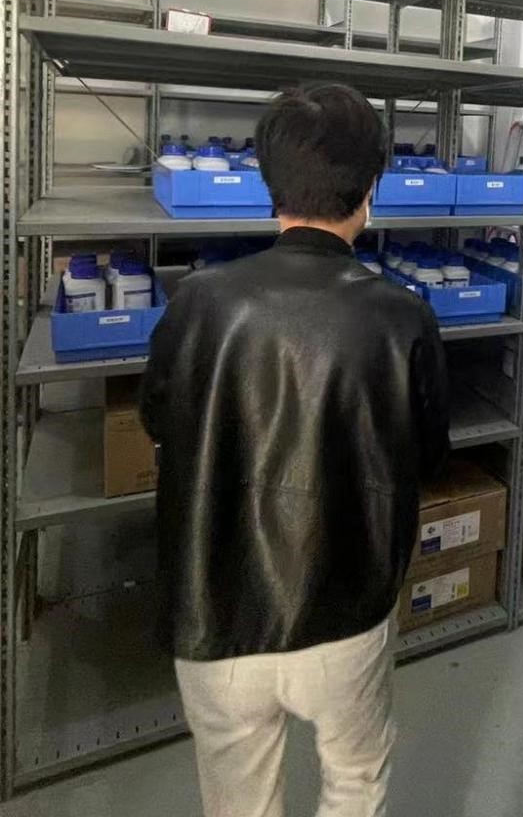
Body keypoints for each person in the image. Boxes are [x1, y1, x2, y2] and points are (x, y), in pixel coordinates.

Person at [140, 82, 448, 817]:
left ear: (267, 183)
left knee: (237, 800)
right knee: (355, 780)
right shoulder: (403, 316)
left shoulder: (199, 301)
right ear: (370, 189)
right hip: (346, 608)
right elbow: (427, 456)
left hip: (214, 608)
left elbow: (158, 420)